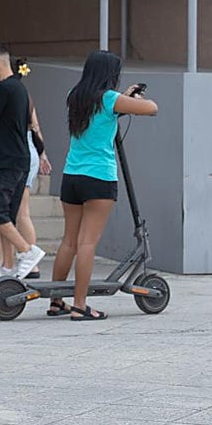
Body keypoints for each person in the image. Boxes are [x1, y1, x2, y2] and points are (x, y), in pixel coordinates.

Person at [50, 50, 158, 321]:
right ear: (111, 75)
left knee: (69, 241)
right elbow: (152, 109)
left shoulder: (74, 96)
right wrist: (132, 99)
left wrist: (124, 98)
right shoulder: (110, 99)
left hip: (71, 176)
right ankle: (80, 305)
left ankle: (56, 301)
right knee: (88, 242)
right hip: (99, 177)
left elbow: (100, 115)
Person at [0, 43, 45, 283]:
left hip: (7, 162)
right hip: (16, 157)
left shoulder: (4, 89)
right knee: (6, 213)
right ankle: (7, 266)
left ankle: (27, 251)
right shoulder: (19, 88)